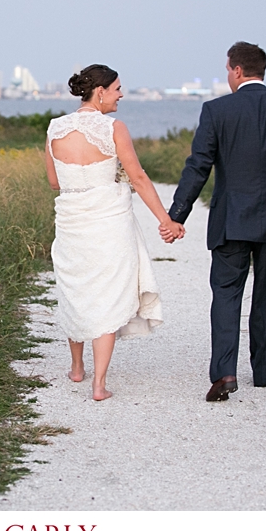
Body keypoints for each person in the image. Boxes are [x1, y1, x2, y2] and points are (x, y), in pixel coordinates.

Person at [162, 42, 266, 402]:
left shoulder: (216, 110)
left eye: (227, 69)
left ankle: (224, 373)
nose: (228, 75)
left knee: (226, 293)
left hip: (231, 219)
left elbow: (199, 166)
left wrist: (176, 215)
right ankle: (263, 369)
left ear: (237, 70)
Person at [46, 64, 185, 401]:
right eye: (118, 88)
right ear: (101, 91)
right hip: (108, 221)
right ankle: (99, 385)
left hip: (71, 219)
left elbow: (54, 182)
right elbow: (138, 177)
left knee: (77, 290)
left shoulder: (54, 128)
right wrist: (165, 220)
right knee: (105, 295)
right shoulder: (114, 128)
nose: (121, 94)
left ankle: (77, 368)